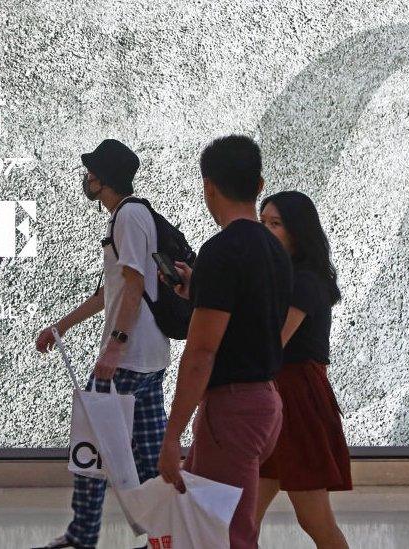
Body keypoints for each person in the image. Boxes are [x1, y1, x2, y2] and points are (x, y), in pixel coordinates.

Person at [156, 135, 293, 549]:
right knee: (199, 519)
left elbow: (201, 353)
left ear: (208, 187)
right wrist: (198, 291)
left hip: (232, 409)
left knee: (228, 535)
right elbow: (249, 316)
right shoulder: (274, 249)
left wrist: (171, 436)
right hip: (266, 403)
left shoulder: (220, 251)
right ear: (259, 185)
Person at [33, 139, 169, 549]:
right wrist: (59, 327)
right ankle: (164, 535)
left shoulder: (127, 216)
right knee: (148, 455)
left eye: (92, 171)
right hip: (150, 358)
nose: (87, 178)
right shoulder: (131, 216)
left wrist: (115, 346)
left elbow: (134, 284)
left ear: (104, 178)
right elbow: (104, 295)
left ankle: (82, 535)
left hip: (126, 361)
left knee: (91, 448)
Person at [254, 191, 351, 548]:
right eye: (262, 222)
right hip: (277, 396)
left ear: (297, 231)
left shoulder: (305, 280)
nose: (266, 230)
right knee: (244, 516)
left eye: (275, 224)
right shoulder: (284, 275)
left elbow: (273, 342)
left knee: (314, 519)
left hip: (297, 399)